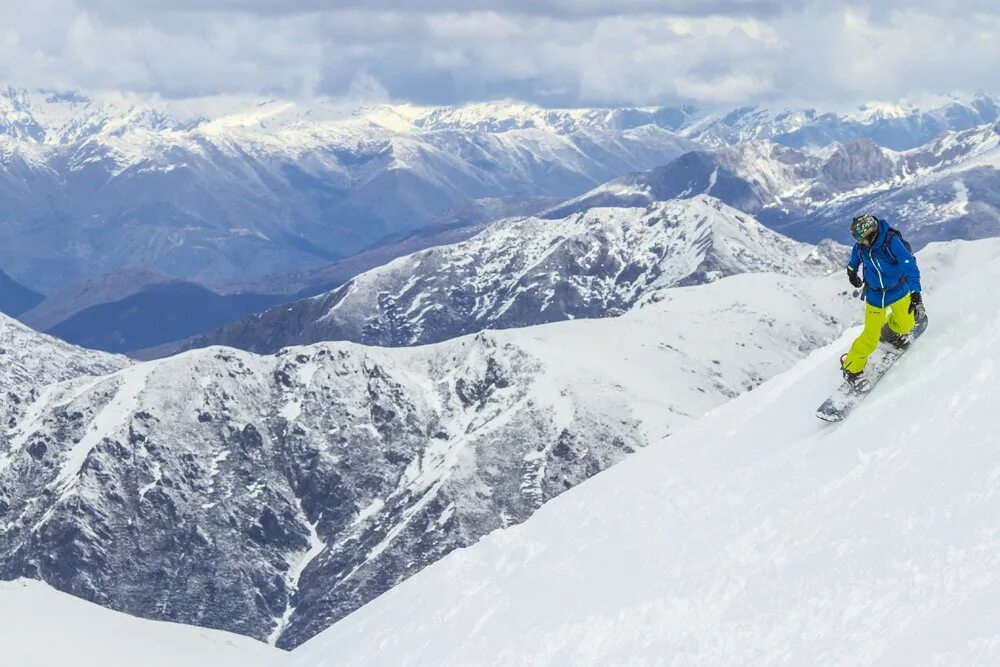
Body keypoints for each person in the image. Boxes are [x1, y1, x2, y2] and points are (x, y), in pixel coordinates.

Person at [840, 213, 924, 388]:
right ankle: (851, 369)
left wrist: (916, 293)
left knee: (906, 325)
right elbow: (854, 260)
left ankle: (889, 332)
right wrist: (851, 272)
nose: (858, 242)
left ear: (870, 233)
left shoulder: (891, 242)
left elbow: (909, 266)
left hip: (899, 290)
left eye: (860, 238)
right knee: (870, 338)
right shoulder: (861, 247)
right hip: (875, 295)